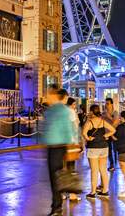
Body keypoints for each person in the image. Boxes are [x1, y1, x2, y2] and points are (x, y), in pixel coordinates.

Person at [43, 87, 74, 216]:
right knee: (55, 177)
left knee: (56, 177)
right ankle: (56, 204)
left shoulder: (61, 110)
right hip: (54, 147)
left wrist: (70, 146)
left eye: (49, 94)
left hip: (58, 147)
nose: (47, 96)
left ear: (55, 95)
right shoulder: (53, 110)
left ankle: (57, 207)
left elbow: (68, 129)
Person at [82, 104, 116, 200]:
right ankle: (105, 191)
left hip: (93, 148)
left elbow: (84, 133)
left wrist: (88, 138)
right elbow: (113, 130)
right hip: (103, 147)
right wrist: (106, 135)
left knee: (94, 170)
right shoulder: (102, 121)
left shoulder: (89, 122)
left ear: (91, 112)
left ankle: (93, 192)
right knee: (103, 170)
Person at [66, 97, 81, 202]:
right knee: (71, 168)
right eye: (74, 104)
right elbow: (75, 127)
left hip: (62, 142)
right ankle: (72, 194)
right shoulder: (71, 112)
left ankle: (61, 193)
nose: (75, 106)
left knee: (64, 168)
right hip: (71, 142)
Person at [103, 97, 119, 171]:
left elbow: (116, 122)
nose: (106, 105)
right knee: (108, 150)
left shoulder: (115, 113)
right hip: (106, 134)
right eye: (105, 103)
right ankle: (111, 164)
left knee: (114, 149)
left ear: (112, 104)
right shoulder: (103, 113)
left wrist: (108, 117)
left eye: (108, 103)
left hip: (113, 134)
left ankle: (115, 164)